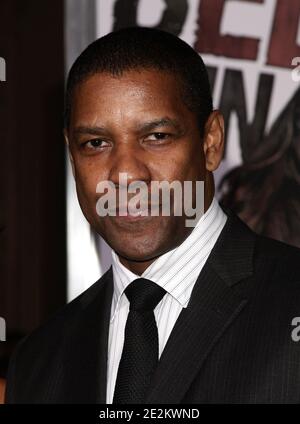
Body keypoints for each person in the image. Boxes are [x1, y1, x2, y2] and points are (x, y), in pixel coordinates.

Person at [5, 27, 300, 404]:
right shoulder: (37, 362)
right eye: (96, 143)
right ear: (71, 154)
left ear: (211, 142)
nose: (126, 175)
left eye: (156, 136)